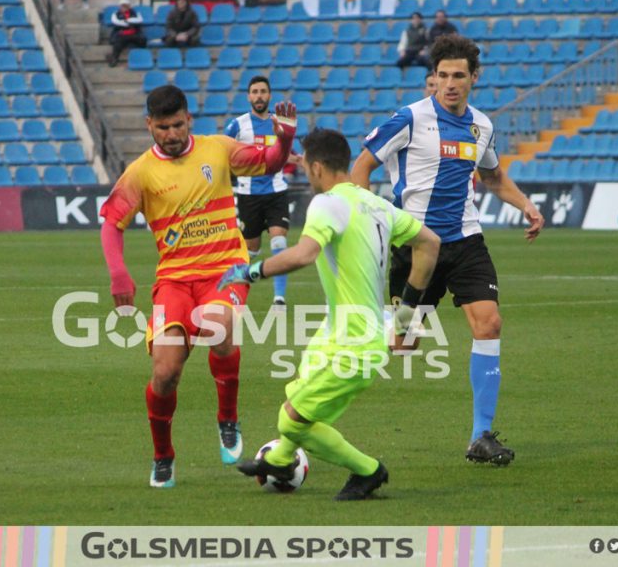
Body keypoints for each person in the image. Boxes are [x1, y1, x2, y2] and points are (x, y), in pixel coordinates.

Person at [350, 35, 545, 466]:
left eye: (459, 75)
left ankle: (481, 436)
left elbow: (492, 178)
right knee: (403, 344)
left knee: (489, 323)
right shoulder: (409, 119)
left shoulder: (482, 126)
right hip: (416, 246)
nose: (450, 84)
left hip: (465, 241)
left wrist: (526, 203)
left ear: (474, 77)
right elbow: (361, 166)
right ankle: (359, 333)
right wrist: (369, 220)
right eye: (443, 76)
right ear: (432, 78)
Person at [219, 128, 441, 500]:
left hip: (355, 345)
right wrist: (404, 317)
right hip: (337, 334)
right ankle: (280, 458)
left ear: (318, 167)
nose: (305, 172)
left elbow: (304, 254)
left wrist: (251, 271)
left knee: (291, 418)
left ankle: (368, 470)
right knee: (297, 400)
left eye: (305, 165)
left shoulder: (327, 203)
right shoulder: (375, 203)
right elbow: (429, 244)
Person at [99, 85, 297, 488]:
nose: (171, 135)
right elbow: (111, 224)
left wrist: (286, 135)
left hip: (225, 267)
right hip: (174, 279)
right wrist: (119, 273)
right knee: (166, 372)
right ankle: (163, 456)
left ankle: (227, 418)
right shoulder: (140, 172)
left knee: (218, 326)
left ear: (189, 119)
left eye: (177, 125)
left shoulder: (218, 149)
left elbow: (270, 163)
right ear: (149, 125)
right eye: (162, 127)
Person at [224, 76, 296, 306]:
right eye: (254, 92)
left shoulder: (279, 123)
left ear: (269, 95)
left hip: (276, 192)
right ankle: (236, 292)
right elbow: (222, 152)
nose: (259, 96)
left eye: (263, 91)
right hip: (248, 196)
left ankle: (279, 298)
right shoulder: (237, 125)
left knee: (279, 243)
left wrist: (299, 159)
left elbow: (285, 152)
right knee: (250, 251)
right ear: (248, 96)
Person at [106, 0, 146, 68]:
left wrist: (129, 22)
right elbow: (116, 23)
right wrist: (127, 23)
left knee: (142, 40)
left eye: (126, 5)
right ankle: (114, 59)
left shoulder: (135, 13)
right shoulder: (116, 14)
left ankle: (142, 58)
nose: (124, 7)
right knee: (119, 41)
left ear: (129, 6)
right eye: (122, 6)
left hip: (134, 34)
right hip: (122, 35)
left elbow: (139, 21)